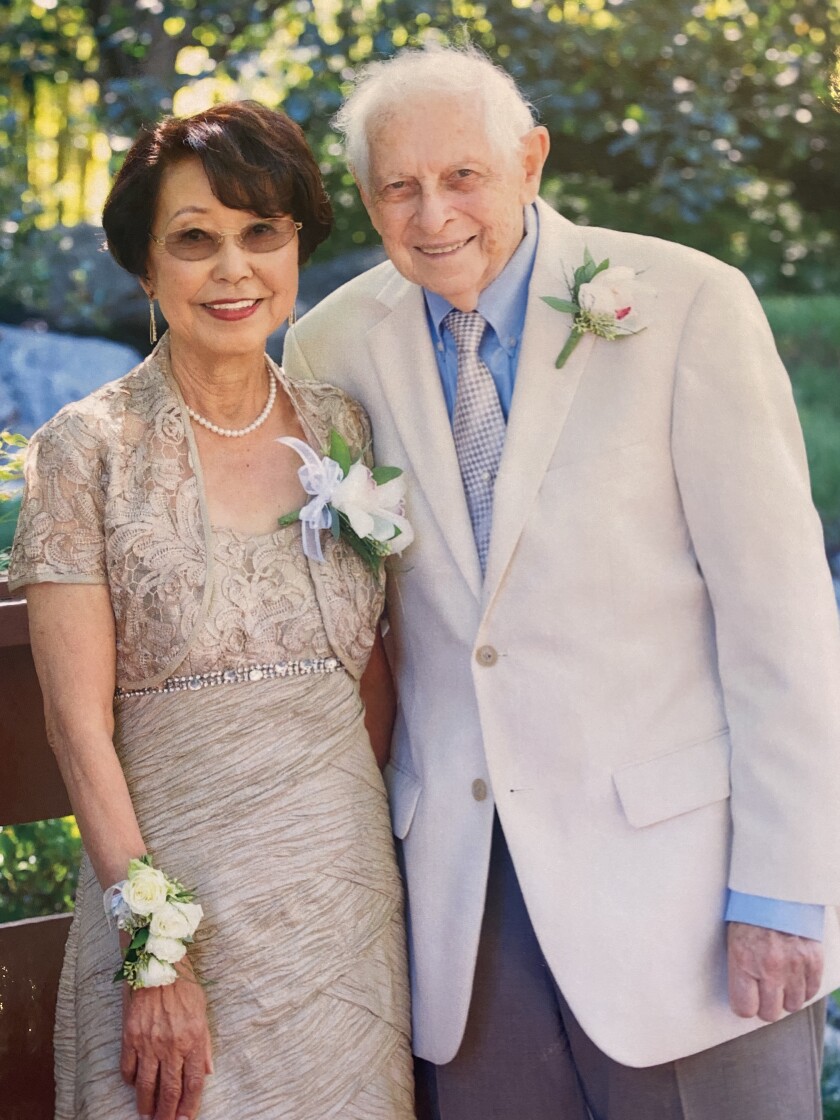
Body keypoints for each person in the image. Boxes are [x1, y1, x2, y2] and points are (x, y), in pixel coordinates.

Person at [283, 44, 840, 1120]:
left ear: (530, 160)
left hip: (687, 907)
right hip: (465, 913)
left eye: (462, 177)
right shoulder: (329, 345)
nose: (431, 212)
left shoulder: (688, 305)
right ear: (366, 197)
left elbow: (782, 622)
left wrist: (781, 889)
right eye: (397, 186)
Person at [9, 101, 414, 1120]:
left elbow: (370, 672)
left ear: (294, 247)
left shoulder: (342, 429)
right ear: (147, 270)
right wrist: (153, 953)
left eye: (260, 234)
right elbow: (75, 725)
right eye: (195, 240)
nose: (233, 268)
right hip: (168, 905)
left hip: (342, 910)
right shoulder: (83, 449)